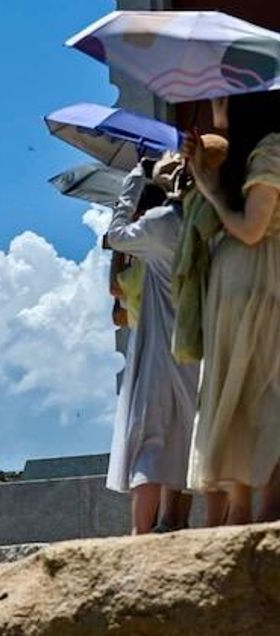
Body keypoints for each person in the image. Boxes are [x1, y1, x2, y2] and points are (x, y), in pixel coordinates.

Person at [185, 98, 280, 526]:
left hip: (250, 278)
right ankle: (260, 508)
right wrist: (206, 182)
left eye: (221, 102)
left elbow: (250, 228)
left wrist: (212, 191)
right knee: (258, 389)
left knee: (248, 388)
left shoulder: (267, 149)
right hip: (256, 278)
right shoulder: (259, 152)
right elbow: (251, 229)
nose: (214, 108)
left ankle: (244, 510)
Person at [104, 157, 199, 534]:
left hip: (159, 340)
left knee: (150, 437)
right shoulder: (205, 221)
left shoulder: (158, 224)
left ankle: (140, 534)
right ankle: (176, 522)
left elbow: (115, 235)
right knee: (188, 434)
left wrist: (132, 181)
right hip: (196, 339)